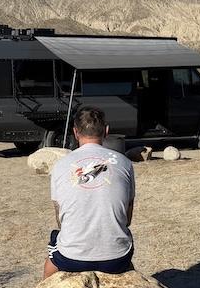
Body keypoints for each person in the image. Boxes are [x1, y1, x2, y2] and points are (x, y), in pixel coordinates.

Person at [44, 106, 135, 279]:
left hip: (71, 258)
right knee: (125, 250)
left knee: (51, 255)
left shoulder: (60, 166)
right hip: (117, 258)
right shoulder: (125, 163)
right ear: (106, 131)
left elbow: (60, 220)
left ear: (75, 132)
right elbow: (127, 219)